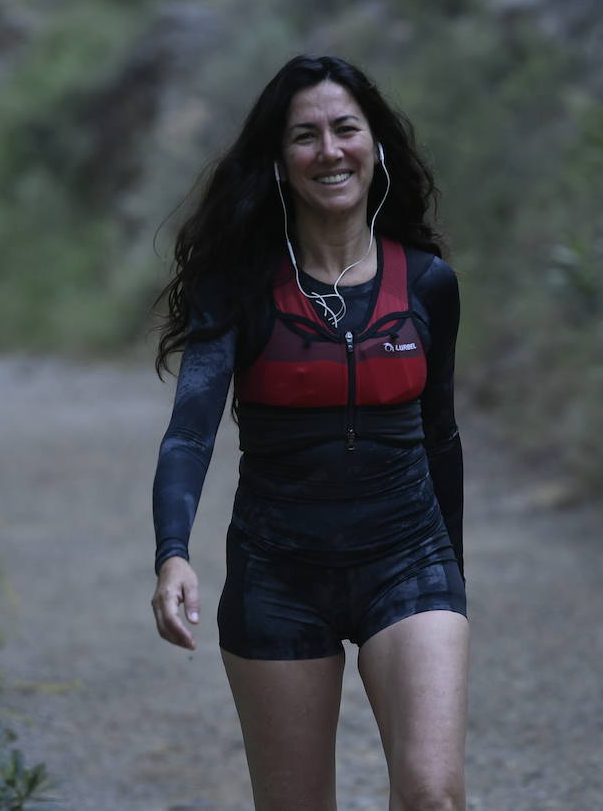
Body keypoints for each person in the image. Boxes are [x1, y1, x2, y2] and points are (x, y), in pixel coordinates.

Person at [149, 54, 467, 811]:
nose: (329, 150)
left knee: (434, 796)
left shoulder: (426, 284)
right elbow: (189, 433)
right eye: (305, 135)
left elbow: (441, 436)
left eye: (345, 129)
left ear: (375, 145)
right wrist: (172, 554)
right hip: (278, 578)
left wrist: (453, 582)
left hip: (408, 562)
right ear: (279, 160)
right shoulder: (239, 289)